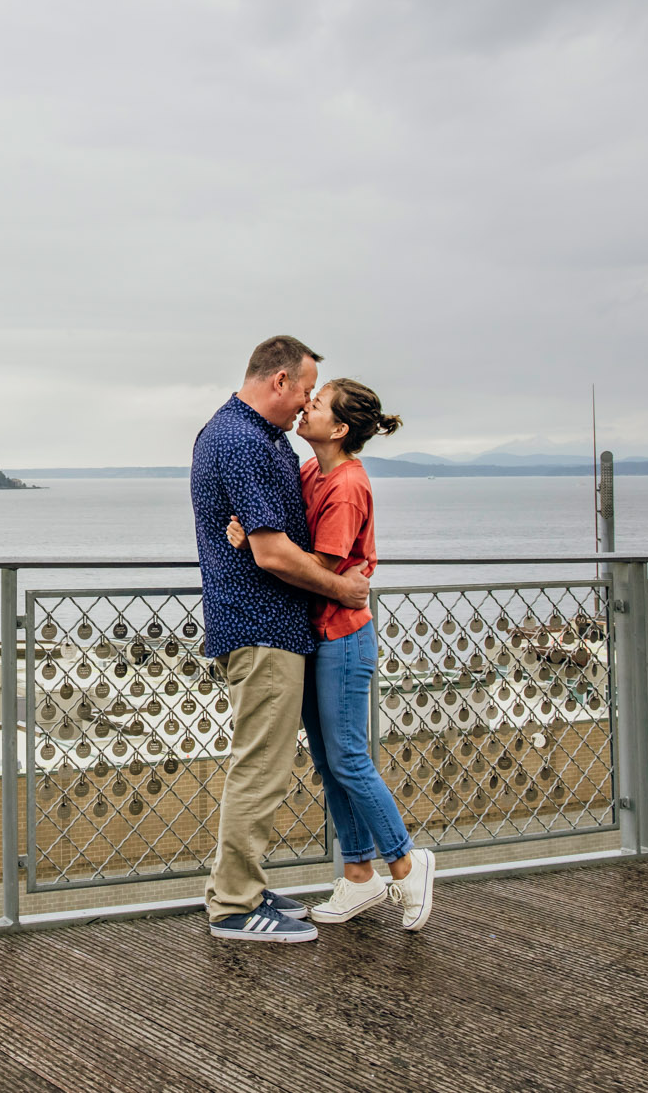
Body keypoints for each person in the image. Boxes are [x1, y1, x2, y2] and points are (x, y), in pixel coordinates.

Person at [227, 378, 437, 931]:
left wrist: (254, 542)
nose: (305, 406)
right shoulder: (310, 472)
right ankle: (360, 878)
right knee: (328, 761)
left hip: (344, 635)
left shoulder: (346, 485)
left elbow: (320, 567)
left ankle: (406, 863)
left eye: (316, 404)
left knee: (347, 757)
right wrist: (252, 527)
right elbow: (286, 528)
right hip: (318, 634)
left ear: (339, 429)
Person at [190, 335, 371, 943]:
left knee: (263, 764)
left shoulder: (256, 438)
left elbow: (271, 534)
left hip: (267, 623)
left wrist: (265, 539)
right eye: (304, 391)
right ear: (278, 381)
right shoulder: (243, 440)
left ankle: (244, 884)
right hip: (261, 624)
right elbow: (273, 553)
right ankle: (235, 906)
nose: (305, 405)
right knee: (261, 769)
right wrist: (341, 590)